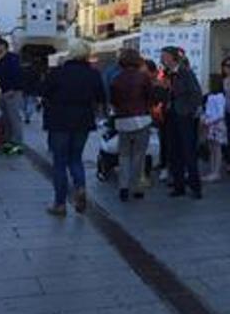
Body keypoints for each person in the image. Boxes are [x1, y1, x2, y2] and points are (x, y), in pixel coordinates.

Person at [41, 40, 105, 216]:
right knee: (76, 158)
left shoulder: (58, 73)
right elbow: (101, 97)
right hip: (83, 121)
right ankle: (80, 188)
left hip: (59, 121)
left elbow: (44, 92)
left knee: (59, 161)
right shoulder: (93, 74)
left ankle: (60, 204)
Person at [110, 49, 153, 202]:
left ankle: (123, 187)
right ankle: (136, 187)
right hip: (141, 119)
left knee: (124, 155)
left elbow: (114, 100)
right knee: (139, 155)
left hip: (122, 120)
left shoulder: (116, 79)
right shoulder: (144, 77)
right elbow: (150, 96)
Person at [162, 46, 204, 199]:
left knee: (188, 151)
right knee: (174, 151)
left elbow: (196, 93)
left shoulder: (185, 72)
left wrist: (191, 112)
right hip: (171, 115)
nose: (163, 59)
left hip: (184, 115)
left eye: (165, 56)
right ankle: (178, 185)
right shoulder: (167, 74)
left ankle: (195, 187)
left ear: (173, 58)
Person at [0, 38, 25, 152]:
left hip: (12, 92)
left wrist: (13, 88)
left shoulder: (11, 58)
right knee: (7, 119)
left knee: (14, 118)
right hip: (3, 91)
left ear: (3, 46)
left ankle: (17, 143)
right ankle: (8, 141)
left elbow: (17, 75)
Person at [202, 75, 227, 182]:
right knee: (212, 149)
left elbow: (221, 114)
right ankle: (212, 171)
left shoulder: (220, 97)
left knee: (217, 149)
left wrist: (209, 121)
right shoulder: (212, 96)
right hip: (211, 124)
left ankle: (216, 172)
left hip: (216, 124)